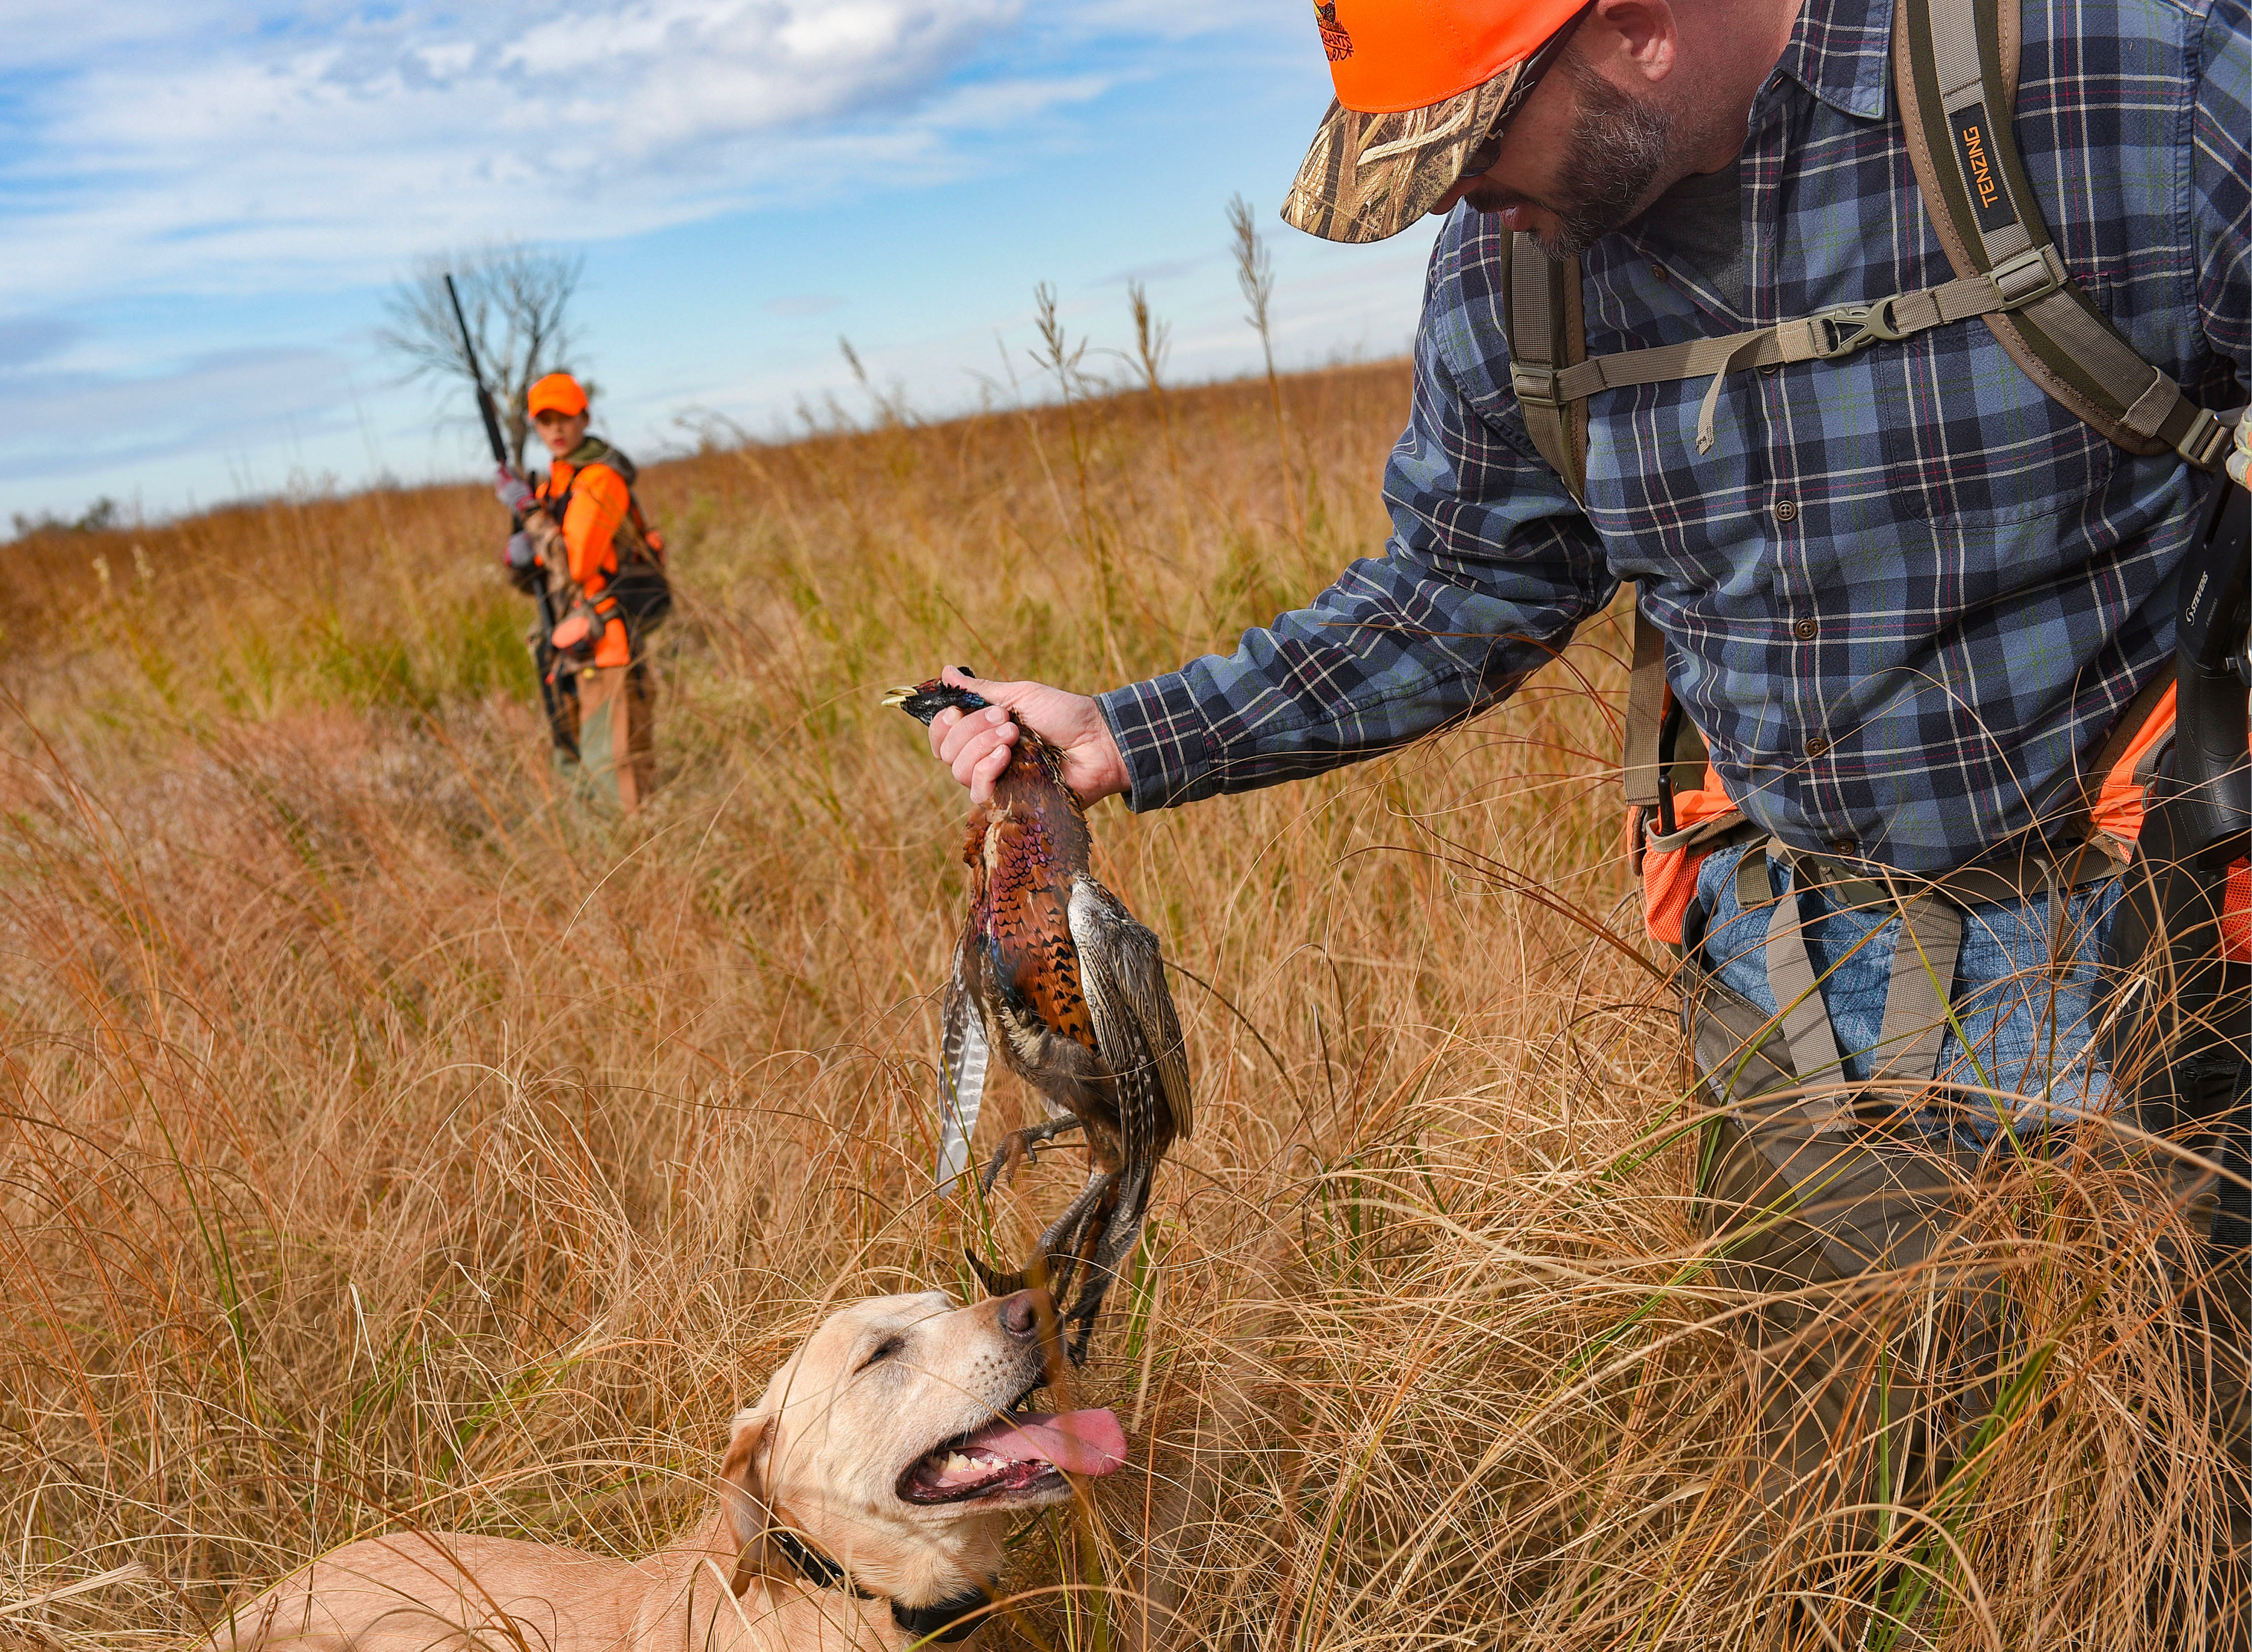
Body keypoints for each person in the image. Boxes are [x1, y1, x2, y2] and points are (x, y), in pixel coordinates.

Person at [918, 0, 2250, 1594]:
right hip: (1800, 996)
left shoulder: (2124, 87)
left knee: (2197, 1476)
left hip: (2172, 960)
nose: (1454, 199)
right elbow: (1453, 590)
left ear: (1634, 28)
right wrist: (1127, 733)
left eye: (1473, 143)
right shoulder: (1513, 263)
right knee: (1853, 1501)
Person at [493, 372, 669, 815]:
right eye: (544, 421)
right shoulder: (556, 482)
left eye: (565, 418)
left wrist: (529, 513)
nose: (556, 430)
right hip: (565, 647)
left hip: (605, 646)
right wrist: (520, 558)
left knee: (616, 778)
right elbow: (544, 577)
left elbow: (575, 565)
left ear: (585, 417)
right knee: (577, 770)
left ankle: (637, 873)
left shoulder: (598, 479)